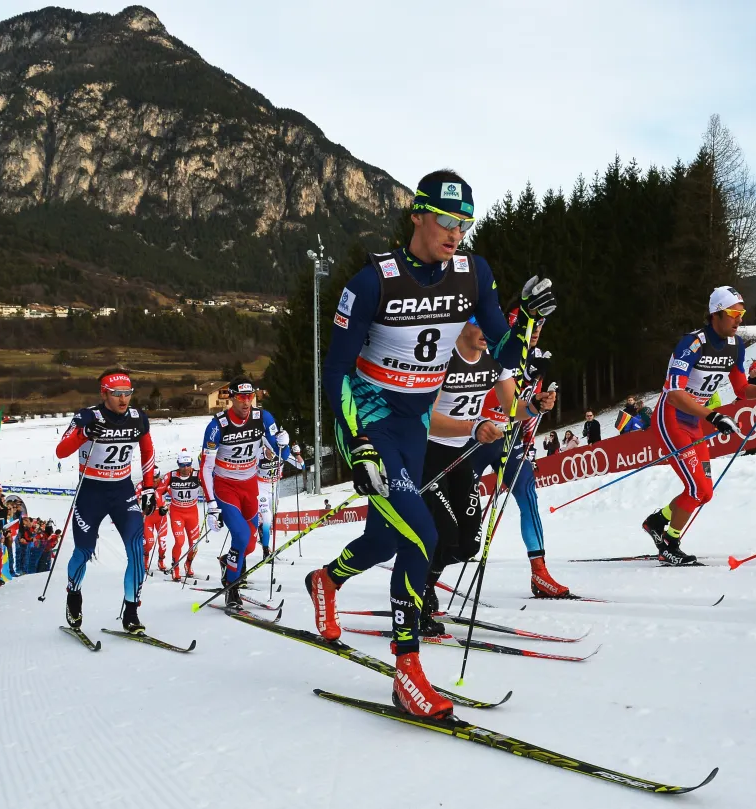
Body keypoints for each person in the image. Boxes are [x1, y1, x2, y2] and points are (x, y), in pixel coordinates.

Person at [307, 168, 554, 718]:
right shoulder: (371, 281)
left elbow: (503, 351)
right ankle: (408, 672)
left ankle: (325, 581)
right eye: (445, 219)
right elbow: (336, 370)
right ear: (416, 214)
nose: (454, 232)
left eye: (464, 222)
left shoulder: (473, 273)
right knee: (420, 535)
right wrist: (357, 443)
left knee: (387, 538)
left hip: (414, 426)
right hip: (371, 423)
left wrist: (528, 324)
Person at [421, 317, 561, 634]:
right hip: (446, 448)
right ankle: (417, 593)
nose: (487, 335)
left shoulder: (505, 363)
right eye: (479, 327)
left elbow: (513, 406)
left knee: (469, 542)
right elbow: (427, 417)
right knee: (443, 531)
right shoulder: (453, 359)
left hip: (481, 447)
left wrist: (535, 405)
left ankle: (426, 583)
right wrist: (474, 426)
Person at [641, 286, 756, 565]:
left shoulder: (735, 345)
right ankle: (669, 544)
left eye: (742, 313)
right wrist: (713, 416)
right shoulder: (693, 344)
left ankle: (658, 521)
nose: (739, 319)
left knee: (704, 491)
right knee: (698, 490)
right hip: (672, 417)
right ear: (715, 314)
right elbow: (675, 393)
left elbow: (741, 388)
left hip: (694, 420)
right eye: (733, 313)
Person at [465, 311, 566, 597]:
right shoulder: (493, 353)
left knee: (526, 492)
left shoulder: (540, 359)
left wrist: (530, 435)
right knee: (459, 508)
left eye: (540, 326)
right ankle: (426, 574)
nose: (536, 332)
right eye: (530, 326)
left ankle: (540, 573)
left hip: (507, 438)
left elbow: (533, 405)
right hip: (473, 436)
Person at [55, 368, 155, 634]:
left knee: (137, 549)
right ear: (104, 394)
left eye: (128, 393)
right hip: (91, 492)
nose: (123, 400)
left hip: (122, 491)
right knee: (84, 551)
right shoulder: (87, 416)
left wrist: (149, 488)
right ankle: (73, 595)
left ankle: (131, 612)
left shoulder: (137, 418)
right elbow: (61, 451)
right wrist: (84, 433)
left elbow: (147, 451)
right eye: (116, 394)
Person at [200, 378, 290, 607]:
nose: (247, 402)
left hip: (249, 485)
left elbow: (282, 452)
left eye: (250, 396)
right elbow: (206, 467)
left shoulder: (263, 418)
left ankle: (226, 562)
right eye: (241, 397)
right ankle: (232, 588)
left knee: (248, 545)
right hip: (225, 486)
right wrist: (211, 505)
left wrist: (283, 443)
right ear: (231, 398)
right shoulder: (217, 425)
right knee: (240, 537)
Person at [255, 432, 303, 561]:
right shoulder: (259, 453)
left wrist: (297, 454)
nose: (274, 453)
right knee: (267, 517)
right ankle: (265, 550)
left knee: (270, 520)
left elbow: (301, 466)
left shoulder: (283, 454)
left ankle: (261, 530)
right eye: (272, 449)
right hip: (261, 488)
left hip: (274, 488)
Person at [161, 450, 203, 580]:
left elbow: (209, 484)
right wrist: (160, 505)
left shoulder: (197, 475)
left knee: (194, 544)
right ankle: (176, 568)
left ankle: (188, 565)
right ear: (178, 464)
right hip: (177, 512)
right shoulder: (170, 476)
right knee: (179, 541)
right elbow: (159, 491)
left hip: (192, 512)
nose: (185, 468)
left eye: (188, 465)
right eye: (182, 465)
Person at [138, 466, 169, 573]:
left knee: (162, 543)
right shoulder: (141, 485)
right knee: (149, 543)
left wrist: (166, 507)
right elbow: (134, 500)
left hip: (161, 517)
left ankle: (161, 560)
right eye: (152, 478)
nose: (155, 480)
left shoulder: (164, 483)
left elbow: (176, 497)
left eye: (156, 477)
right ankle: (145, 560)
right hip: (148, 518)